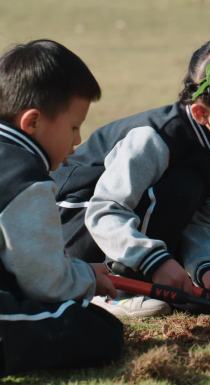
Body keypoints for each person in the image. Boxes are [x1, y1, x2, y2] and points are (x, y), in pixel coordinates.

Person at [51, 33, 210, 318]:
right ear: (202, 113)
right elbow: (105, 211)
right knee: (181, 186)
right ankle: (118, 291)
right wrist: (155, 263)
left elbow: (206, 218)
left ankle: (141, 278)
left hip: (124, 232)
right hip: (70, 228)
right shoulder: (154, 139)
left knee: (184, 189)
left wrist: (209, 268)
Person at [0, 39, 123, 375]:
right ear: (32, 122)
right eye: (73, 127)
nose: (78, 140)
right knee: (99, 329)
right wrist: (87, 278)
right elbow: (45, 281)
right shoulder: (25, 180)